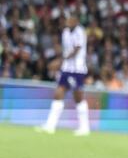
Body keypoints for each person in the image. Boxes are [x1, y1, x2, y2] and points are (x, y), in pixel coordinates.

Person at [35, 8, 90, 137]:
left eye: (69, 18)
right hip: (66, 68)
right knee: (58, 92)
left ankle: (84, 127)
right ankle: (50, 125)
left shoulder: (80, 32)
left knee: (78, 96)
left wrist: (59, 60)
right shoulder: (65, 32)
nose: (67, 20)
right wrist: (61, 61)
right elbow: (66, 50)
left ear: (76, 20)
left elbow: (76, 50)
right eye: (66, 18)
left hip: (78, 69)